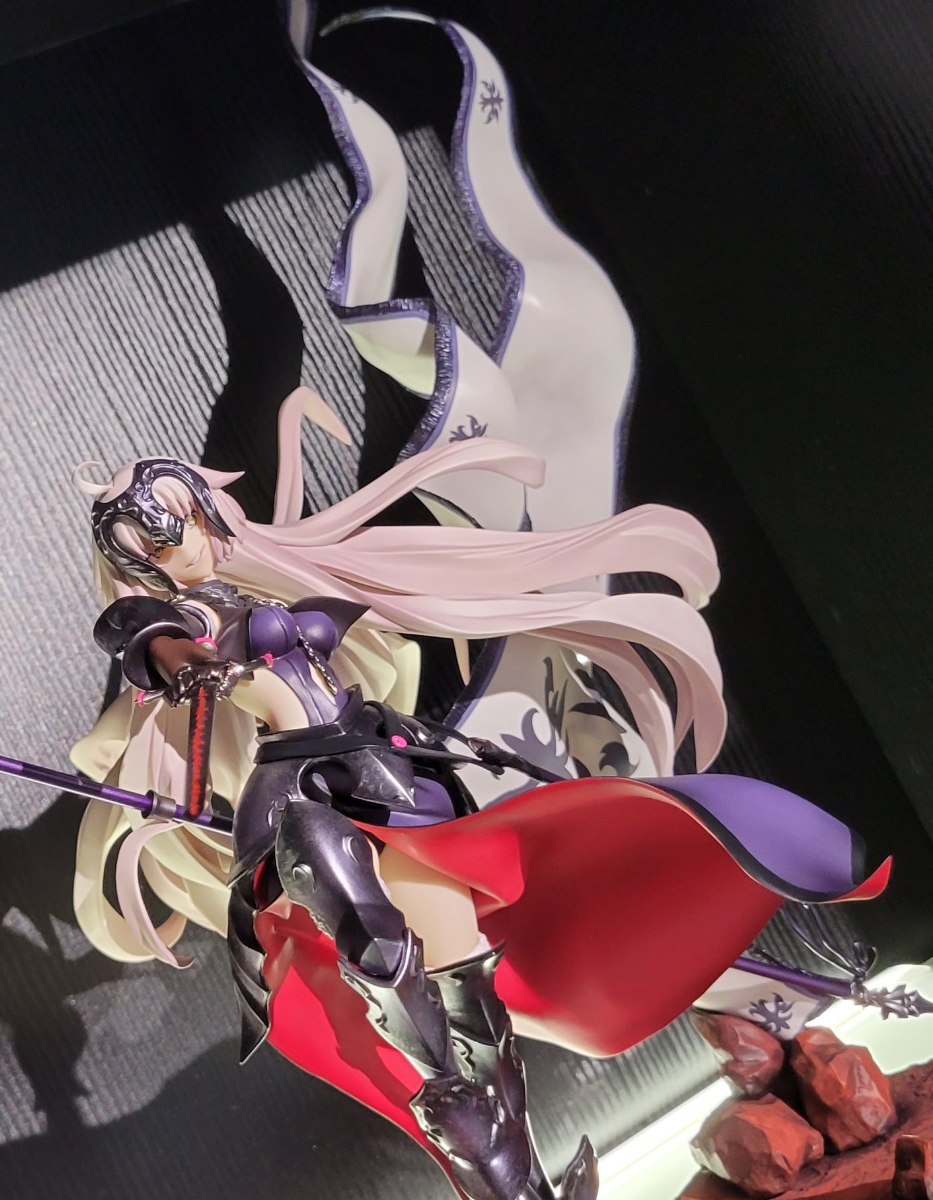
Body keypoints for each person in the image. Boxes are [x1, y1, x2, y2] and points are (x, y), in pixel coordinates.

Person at [67, 390, 891, 1200]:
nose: (182, 544)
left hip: (378, 765)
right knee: (391, 967)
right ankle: (483, 1152)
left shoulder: (257, 590)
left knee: (467, 987)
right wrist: (184, 661)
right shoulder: (172, 619)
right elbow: (142, 638)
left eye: (186, 518)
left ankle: (520, 1183)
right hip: (301, 796)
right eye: (156, 540)